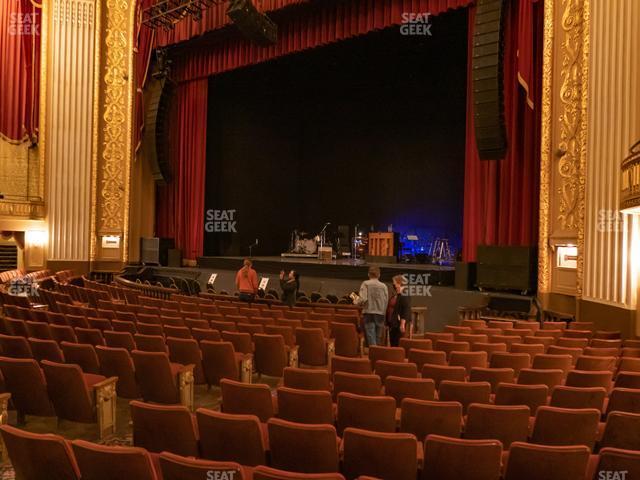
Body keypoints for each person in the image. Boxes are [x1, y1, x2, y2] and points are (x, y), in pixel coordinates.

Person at [354, 266, 389, 347]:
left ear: (368, 274)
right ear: (379, 275)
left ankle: (374, 354)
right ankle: (377, 355)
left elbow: (363, 299)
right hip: (380, 313)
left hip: (369, 312)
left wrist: (356, 301)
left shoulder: (365, 283)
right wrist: (383, 312)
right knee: (378, 336)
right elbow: (386, 300)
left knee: (370, 335)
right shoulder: (384, 286)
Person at [388, 274, 412, 347]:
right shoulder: (399, 294)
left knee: (397, 343)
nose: (393, 284)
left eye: (394, 282)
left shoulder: (404, 294)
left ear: (399, 283)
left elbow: (406, 309)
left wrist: (402, 323)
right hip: (394, 324)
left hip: (399, 324)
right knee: (393, 343)